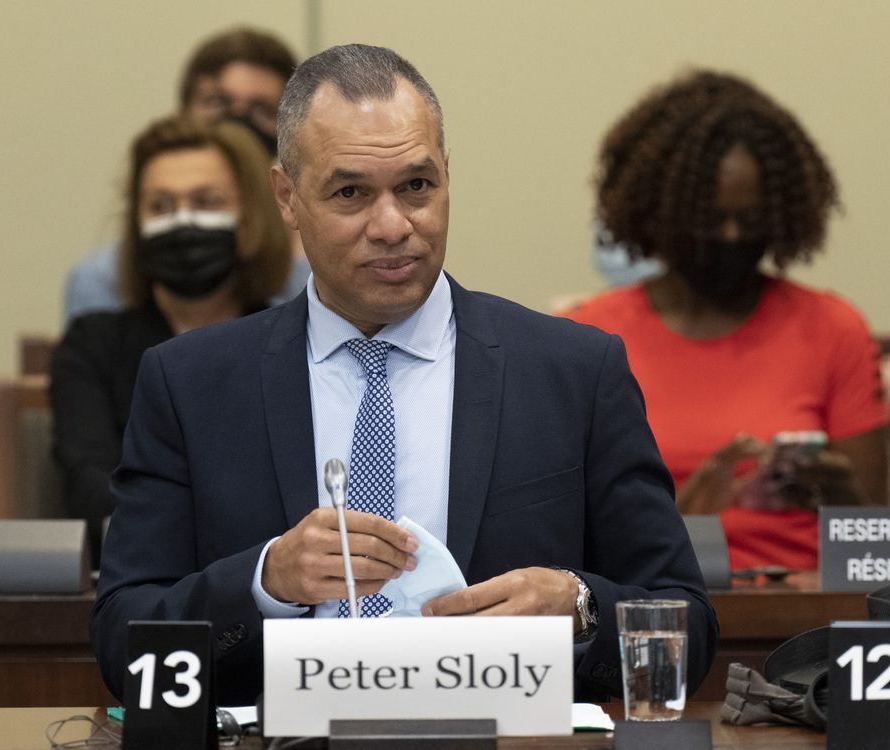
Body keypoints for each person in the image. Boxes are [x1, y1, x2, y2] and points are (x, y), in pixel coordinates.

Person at [92, 44, 717, 706]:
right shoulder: (190, 384)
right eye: (351, 192)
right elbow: (122, 645)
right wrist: (263, 582)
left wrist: (582, 606)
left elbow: (689, 626)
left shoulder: (573, 373)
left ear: (447, 176)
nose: (392, 226)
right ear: (287, 197)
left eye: (416, 186)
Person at [565, 70, 888, 571]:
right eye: (711, 220)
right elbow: (570, 551)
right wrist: (683, 519)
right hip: (657, 616)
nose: (733, 237)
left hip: (805, 627)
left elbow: (873, 563)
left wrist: (841, 498)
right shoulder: (588, 338)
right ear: (660, 212)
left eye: (753, 220)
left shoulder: (832, 330)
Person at [51, 116, 290, 565]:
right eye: (160, 206)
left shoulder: (295, 340)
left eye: (207, 201)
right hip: (138, 588)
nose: (183, 221)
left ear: (250, 219)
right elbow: (89, 488)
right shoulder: (92, 345)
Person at [63, 26, 308, 323]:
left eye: (262, 109)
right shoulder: (102, 279)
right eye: (218, 103)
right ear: (183, 112)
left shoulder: (316, 275)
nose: (237, 122)